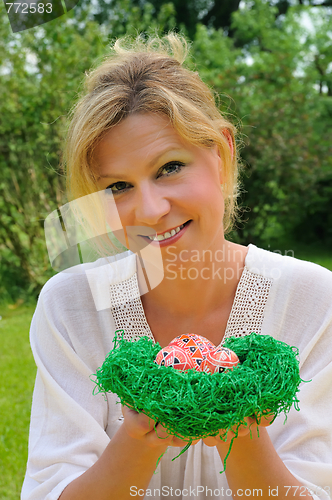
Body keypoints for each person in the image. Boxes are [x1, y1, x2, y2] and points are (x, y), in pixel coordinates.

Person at [22, 34, 332, 500]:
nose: (148, 209)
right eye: (119, 186)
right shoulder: (71, 306)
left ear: (222, 154)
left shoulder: (313, 300)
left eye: (169, 167)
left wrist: (238, 425)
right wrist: (140, 437)